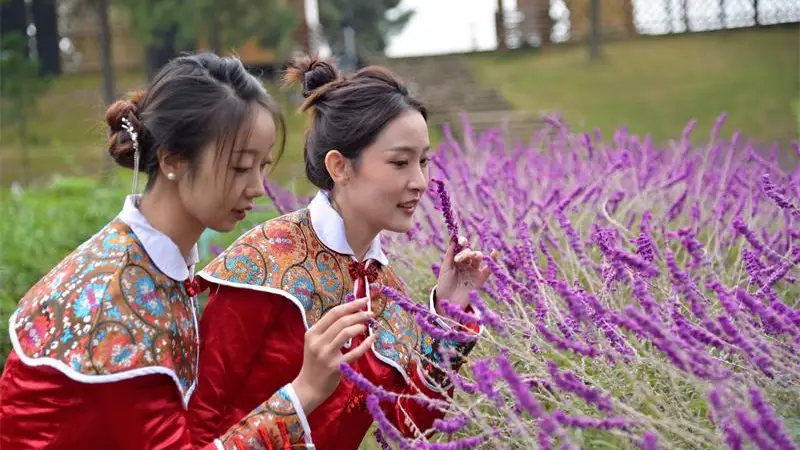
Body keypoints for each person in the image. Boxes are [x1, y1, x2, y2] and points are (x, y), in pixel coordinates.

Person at [0, 53, 309, 449]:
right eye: (239, 167)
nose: (257, 187)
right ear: (173, 160)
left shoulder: (150, 263)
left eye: (263, 167)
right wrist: (301, 396)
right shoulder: (120, 299)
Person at [187, 56, 494, 450]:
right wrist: (303, 392)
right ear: (340, 167)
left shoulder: (386, 290)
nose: (420, 181)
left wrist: (449, 314)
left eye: (423, 161)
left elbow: (405, 430)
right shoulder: (263, 263)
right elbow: (197, 423)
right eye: (400, 162)